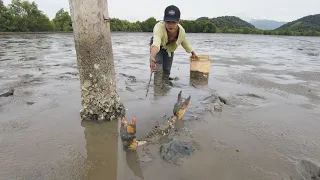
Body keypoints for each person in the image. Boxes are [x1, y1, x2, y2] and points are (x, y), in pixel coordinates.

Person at [149, 5, 198, 82]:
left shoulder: (181, 31)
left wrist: (193, 53)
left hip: (169, 48)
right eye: (168, 21)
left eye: (173, 22)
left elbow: (185, 43)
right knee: (158, 68)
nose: (170, 25)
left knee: (167, 70)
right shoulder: (158, 27)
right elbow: (156, 43)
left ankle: (164, 88)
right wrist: (152, 57)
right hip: (157, 47)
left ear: (178, 21)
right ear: (164, 20)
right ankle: (157, 90)